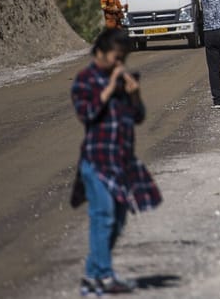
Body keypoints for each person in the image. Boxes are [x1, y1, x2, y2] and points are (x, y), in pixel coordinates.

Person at [71, 28, 161, 295]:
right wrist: (109, 88)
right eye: (116, 57)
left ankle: (93, 275)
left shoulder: (122, 78)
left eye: (123, 58)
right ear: (100, 52)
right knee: (103, 216)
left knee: (118, 220)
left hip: (121, 161)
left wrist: (134, 94)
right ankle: (105, 275)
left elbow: (138, 117)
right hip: (97, 159)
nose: (120, 63)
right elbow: (86, 113)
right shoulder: (85, 79)